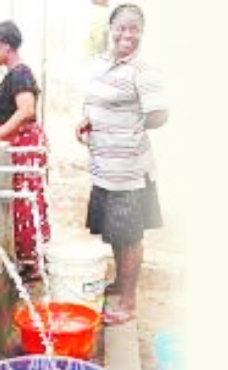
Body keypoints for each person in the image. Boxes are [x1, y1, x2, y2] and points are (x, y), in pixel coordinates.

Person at [76, 4, 167, 325]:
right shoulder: (100, 64)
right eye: (122, 27)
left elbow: (160, 114)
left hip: (129, 170)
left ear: (141, 33)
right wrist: (88, 121)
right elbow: (96, 103)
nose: (128, 34)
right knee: (115, 232)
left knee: (130, 235)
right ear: (110, 28)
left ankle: (128, 302)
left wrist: (131, 128)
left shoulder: (143, 69)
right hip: (104, 167)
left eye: (135, 29)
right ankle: (120, 282)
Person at [0, 20, 49, 281]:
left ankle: (31, 262)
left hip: (24, 144)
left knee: (25, 202)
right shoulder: (15, 74)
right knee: (23, 201)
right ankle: (31, 259)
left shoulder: (20, 74)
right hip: (20, 143)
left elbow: (26, 110)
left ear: (6, 45)